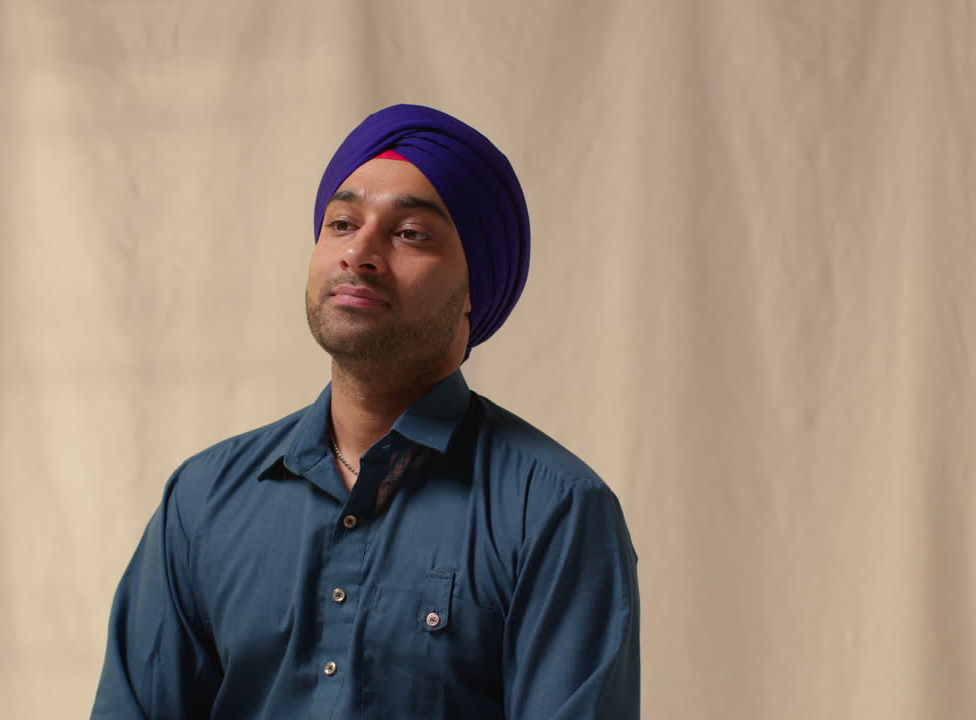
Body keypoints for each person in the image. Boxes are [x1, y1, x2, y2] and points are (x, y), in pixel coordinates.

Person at [90, 104, 639, 719]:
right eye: (343, 222)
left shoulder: (554, 510)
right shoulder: (204, 498)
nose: (360, 252)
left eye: (409, 234)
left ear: (474, 290)